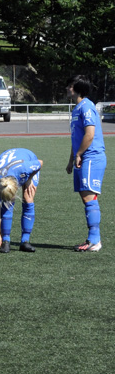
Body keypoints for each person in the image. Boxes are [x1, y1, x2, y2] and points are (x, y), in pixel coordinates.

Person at [66, 75, 107, 252]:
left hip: (91, 157)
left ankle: (94, 240)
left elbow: (90, 134)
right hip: (82, 157)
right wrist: (71, 158)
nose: (67, 88)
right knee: (86, 197)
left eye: (69, 85)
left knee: (89, 197)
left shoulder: (87, 106)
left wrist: (80, 154)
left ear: (75, 88)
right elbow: (77, 137)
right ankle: (93, 239)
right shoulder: (77, 109)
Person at [0, 148, 42, 253]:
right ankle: (6, 242)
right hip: (6, 157)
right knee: (6, 206)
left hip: (27, 158)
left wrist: (29, 179)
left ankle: (25, 241)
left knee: (28, 198)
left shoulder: (24, 168)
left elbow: (40, 163)